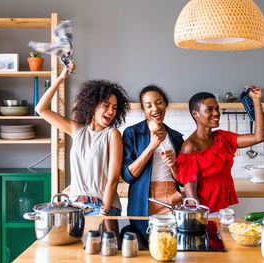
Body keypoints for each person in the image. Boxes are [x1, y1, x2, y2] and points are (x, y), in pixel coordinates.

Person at [35, 62, 130, 216]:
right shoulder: (77, 130)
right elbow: (41, 109)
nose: (111, 111)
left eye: (114, 107)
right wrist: (60, 78)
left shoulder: (112, 135)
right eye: (106, 105)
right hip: (75, 207)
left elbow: (113, 180)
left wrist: (103, 213)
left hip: (102, 207)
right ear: (93, 105)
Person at [176, 89, 264, 213]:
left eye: (217, 108)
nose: (216, 113)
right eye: (209, 110)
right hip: (204, 213)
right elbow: (192, 198)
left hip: (224, 209)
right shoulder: (190, 146)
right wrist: (200, 220)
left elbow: (259, 137)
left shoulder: (222, 138)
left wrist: (256, 101)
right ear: (195, 113)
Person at [121, 85, 184, 216]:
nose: (155, 108)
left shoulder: (176, 137)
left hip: (172, 199)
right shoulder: (132, 133)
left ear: (165, 104)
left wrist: (173, 165)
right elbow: (127, 175)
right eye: (149, 105)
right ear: (144, 110)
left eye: (159, 103)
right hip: (143, 199)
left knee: (172, 236)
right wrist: (151, 147)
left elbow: (181, 181)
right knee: (145, 236)